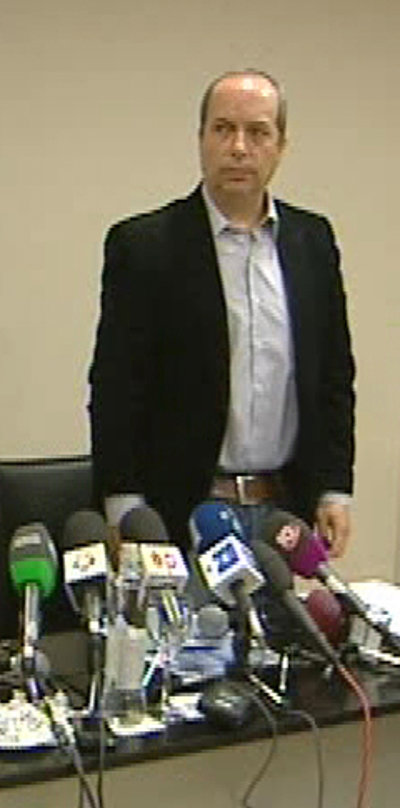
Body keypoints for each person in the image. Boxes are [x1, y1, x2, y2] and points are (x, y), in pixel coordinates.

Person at [89, 69, 354, 557]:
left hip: (285, 515)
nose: (238, 148)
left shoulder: (311, 242)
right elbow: (116, 387)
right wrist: (125, 506)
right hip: (181, 515)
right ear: (201, 139)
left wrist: (334, 489)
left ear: (281, 146)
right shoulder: (145, 246)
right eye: (223, 129)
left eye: (258, 132)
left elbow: (334, 378)